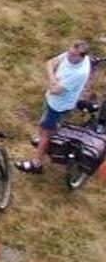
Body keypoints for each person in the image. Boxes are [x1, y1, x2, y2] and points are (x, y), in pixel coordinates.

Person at [19, 39, 93, 174]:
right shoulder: (72, 55)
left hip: (58, 105)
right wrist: (53, 80)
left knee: (44, 132)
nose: (68, 56)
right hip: (52, 100)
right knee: (45, 126)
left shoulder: (79, 73)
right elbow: (50, 63)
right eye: (69, 52)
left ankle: (36, 164)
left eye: (73, 55)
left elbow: (55, 90)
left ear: (81, 57)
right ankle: (48, 139)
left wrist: (52, 80)